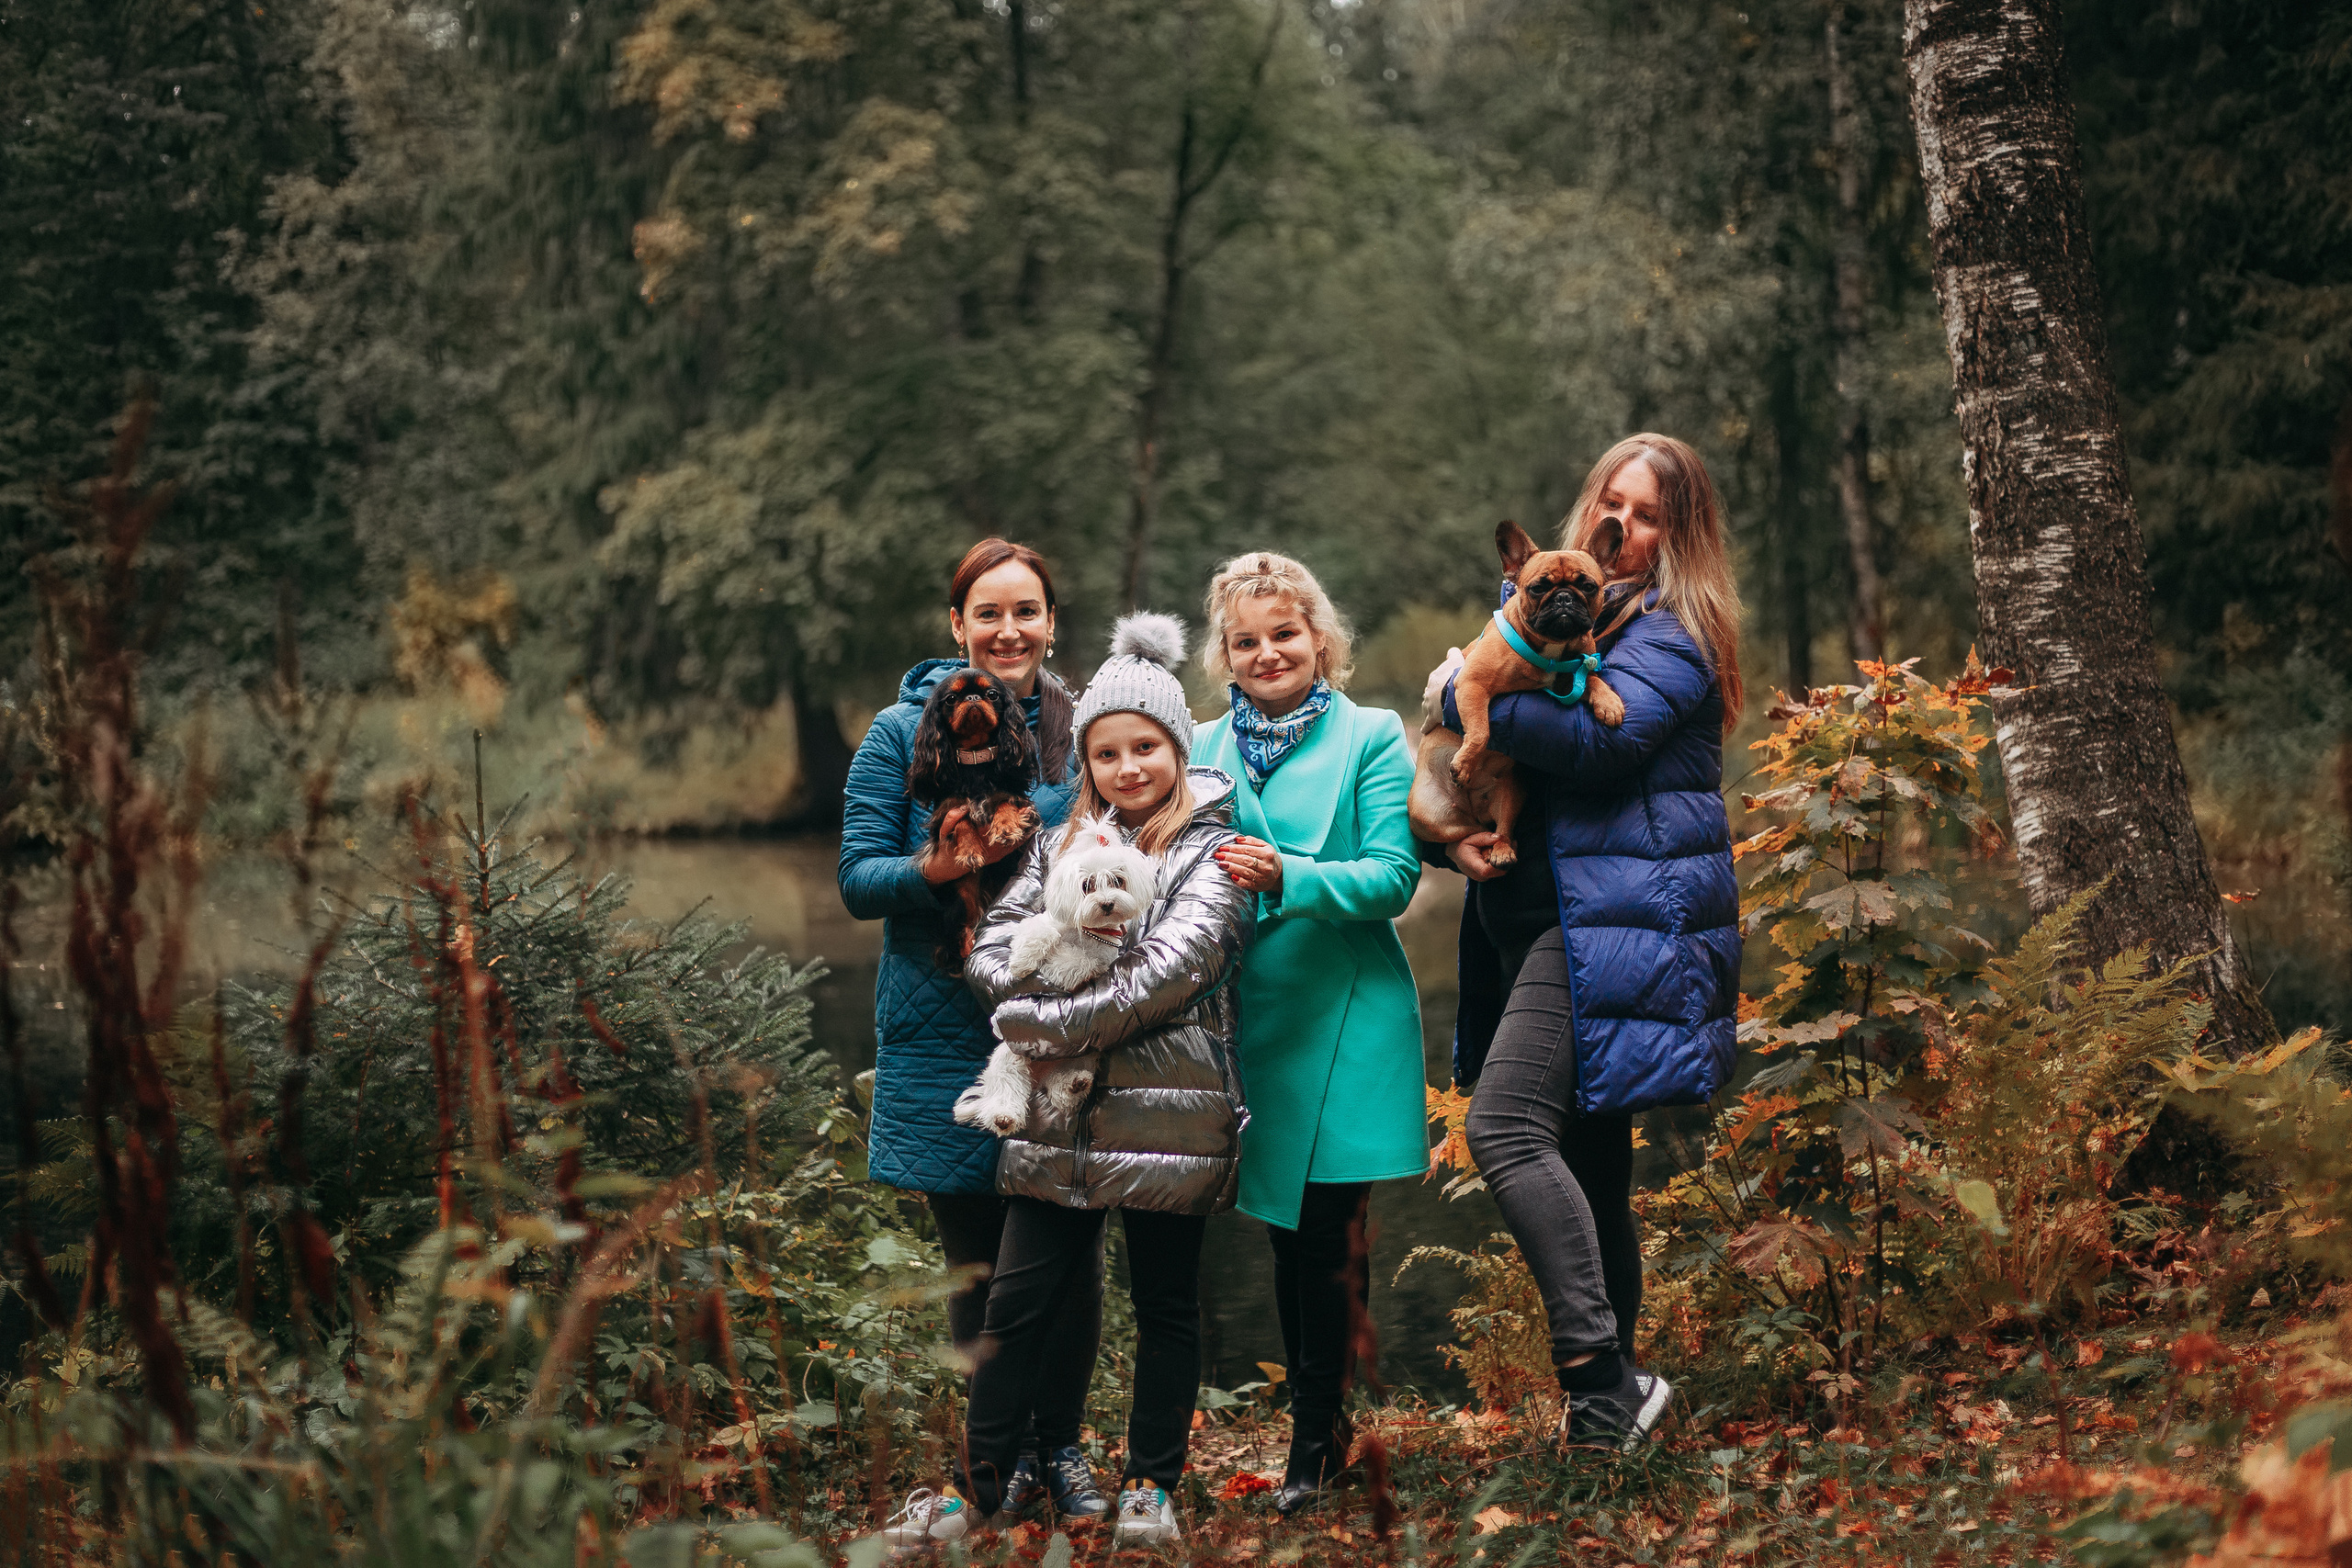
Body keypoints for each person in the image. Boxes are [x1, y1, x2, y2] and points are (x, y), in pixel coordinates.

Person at [881, 614, 1255, 1553]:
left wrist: (1025, 1022)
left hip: (1171, 1119)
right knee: (1014, 1303)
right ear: (1085, 762)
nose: (1129, 767)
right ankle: (980, 1489)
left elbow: (1164, 976)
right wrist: (1015, 1003)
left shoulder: (1215, 856)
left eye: (1146, 747)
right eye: (1107, 752)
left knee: (1167, 1303)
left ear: (1176, 748)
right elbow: (995, 946)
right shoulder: (1059, 845)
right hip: (1055, 1121)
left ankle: (1153, 1484)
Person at [1422, 434, 1745, 1450]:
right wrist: (1459, 844)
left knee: (1505, 1129)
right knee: (1591, 1162)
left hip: (1612, 924)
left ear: (1679, 533)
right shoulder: (1563, 606)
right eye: (1618, 504)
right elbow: (1495, 777)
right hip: (1538, 916)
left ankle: (1603, 1380)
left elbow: (1603, 749)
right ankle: (1613, 1419)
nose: (1631, 527)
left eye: (1653, 514)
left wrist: (1449, 695)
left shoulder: (1672, 634)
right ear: (1593, 513)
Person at [837, 538, 1106, 1524]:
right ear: (957, 626)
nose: (1008, 630)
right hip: (941, 1027)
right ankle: (1006, 1462)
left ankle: (1063, 1453)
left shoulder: (1086, 732)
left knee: (1071, 1253)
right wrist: (940, 871)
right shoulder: (897, 732)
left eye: (1026, 611)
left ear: (1048, 621)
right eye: (987, 613)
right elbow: (860, 880)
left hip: (1066, 1025)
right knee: (979, 1263)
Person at [1189, 552, 1427, 1516]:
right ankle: (1319, 1429)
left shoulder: (1371, 736)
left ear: (1320, 639)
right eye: (1245, 640)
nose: (1267, 652)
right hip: (1246, 1026)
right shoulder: (1197, 746)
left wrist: (1287, 873)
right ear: (1223, 655)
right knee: (1283, 1238)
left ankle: (1309, 1451)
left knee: (1331, 1234)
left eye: (1284, 634)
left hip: (1345, 1012)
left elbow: (1391, 879)